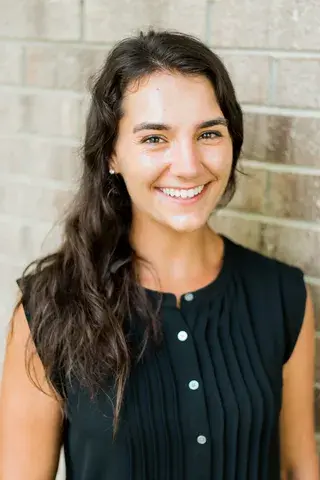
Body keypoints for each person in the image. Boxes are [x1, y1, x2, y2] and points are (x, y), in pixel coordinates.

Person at [0, 29, 318, 480]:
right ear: (112, 153)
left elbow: (298, 466)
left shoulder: (283, 295)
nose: (188, 165)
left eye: (208, 133)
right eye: (155, 138)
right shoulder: (49, 308)